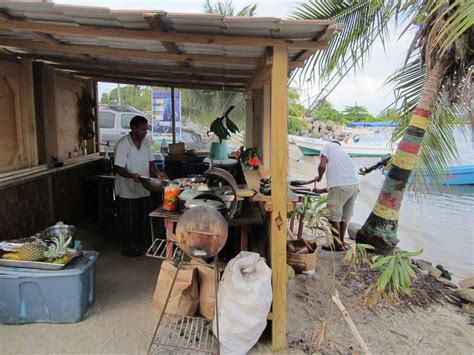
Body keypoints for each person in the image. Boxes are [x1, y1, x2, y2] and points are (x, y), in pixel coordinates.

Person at [114, 115, 167, 257]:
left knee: (144, 217)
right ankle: (127, 247)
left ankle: (143, 244)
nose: (145, 132)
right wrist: (131, 176)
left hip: (144, 186)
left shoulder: (145, 143)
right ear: (133, 128)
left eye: (146, 130)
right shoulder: (123, 144)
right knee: (128, 219)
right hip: (127, 188)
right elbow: (118, 167)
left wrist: (158, 173)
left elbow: (150, 162)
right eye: (143, 129)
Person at [313, 141, 359, 251]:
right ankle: (342, 242)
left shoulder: (328, 145)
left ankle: (336, 244)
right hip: (354, 187)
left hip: (341, 187)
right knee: (344, 217)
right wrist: (320, 190)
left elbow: (322, 165)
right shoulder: (344, 154)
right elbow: (340, 183)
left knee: (333, 216)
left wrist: (319, 177)